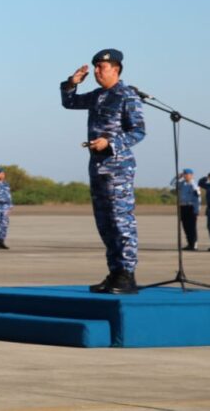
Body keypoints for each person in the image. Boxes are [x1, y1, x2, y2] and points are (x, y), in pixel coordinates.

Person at [61, 48, 146, 294]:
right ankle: (115, 273)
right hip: (97, 166)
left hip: (118, 168)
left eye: (102, 67)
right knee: (105, 223)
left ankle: (127, 275)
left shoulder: (127, 96)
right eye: (95, 67)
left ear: (116, 70)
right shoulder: (98, 95)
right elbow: (70, 102)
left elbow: (138, 131)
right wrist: (71, 83)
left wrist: (110, 143)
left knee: (122, 222)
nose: (97, 71)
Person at [170, 168, 200, 251]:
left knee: (192, 227)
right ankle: (189, 244)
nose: (185, 176)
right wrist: (177, 177)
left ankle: (194, 244)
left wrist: (197, 210)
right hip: (183, 207)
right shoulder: (182, 183)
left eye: (187, 174)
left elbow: (198, 198)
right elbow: (172, 184)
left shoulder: (194, 185)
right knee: (185, 226)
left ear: (191, 175)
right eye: (184, 174)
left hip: (191, 207)